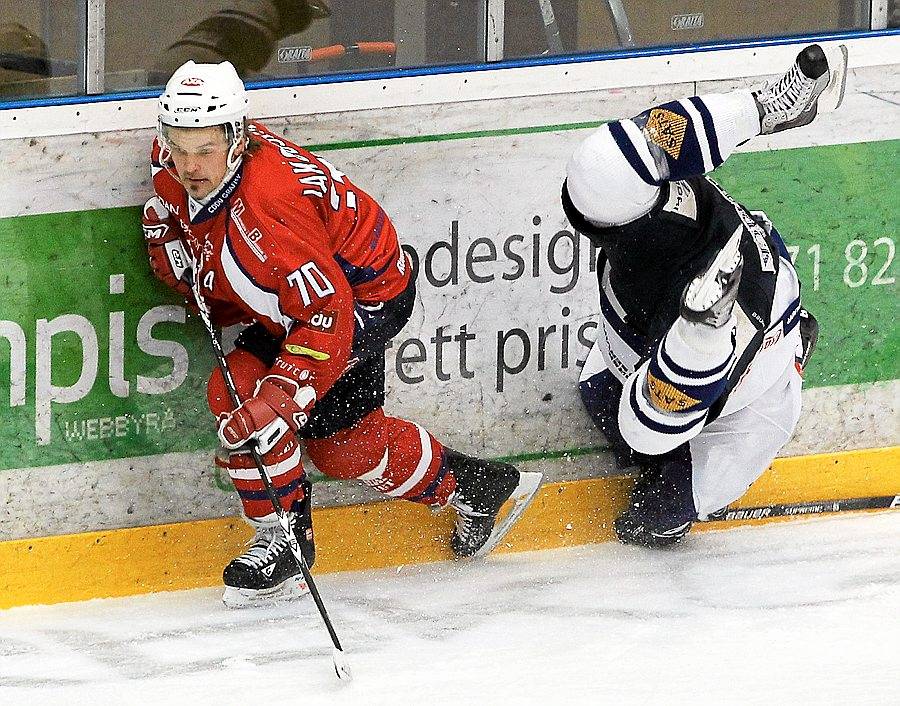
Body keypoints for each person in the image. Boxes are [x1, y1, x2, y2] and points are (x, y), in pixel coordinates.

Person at [142, 60, 542, 607]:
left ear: (236, 138)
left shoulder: (268, 207)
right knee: (241, 395)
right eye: (179, 147)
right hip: (304, 301)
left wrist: (283, 396)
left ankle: (466, 489)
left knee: (330, 444)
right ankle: (292, 536)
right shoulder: (190, 165)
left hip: (363, 302)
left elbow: (326, 312)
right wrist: (173, 243)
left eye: (204, 150)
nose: (190, 165)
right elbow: (202, 230)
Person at [562, 44, 846, 547]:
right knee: (597, 390)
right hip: (733, 301)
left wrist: (700, 335)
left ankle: (794, 353)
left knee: (659, 513)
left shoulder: (670, 285)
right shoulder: (653, 174)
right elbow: (675, 130)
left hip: (750, 390)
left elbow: (650, 428)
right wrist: (764, 107)